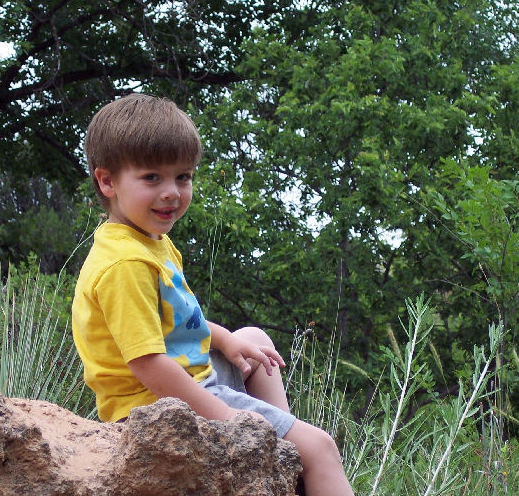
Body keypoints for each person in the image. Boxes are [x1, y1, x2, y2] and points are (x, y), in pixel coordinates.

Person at [72, 93, 354, 496]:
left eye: (182, 177)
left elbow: (176, 320)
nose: (171, 192)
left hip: (183, 379)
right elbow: (148, 364)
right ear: (107, 181)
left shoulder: (149, 241)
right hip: (156, 406)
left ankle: (283, 458)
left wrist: (225, 340)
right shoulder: (126, 264)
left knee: (253, 340)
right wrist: (231, 421)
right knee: (322, 448)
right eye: (152, 178)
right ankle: (290, 450)